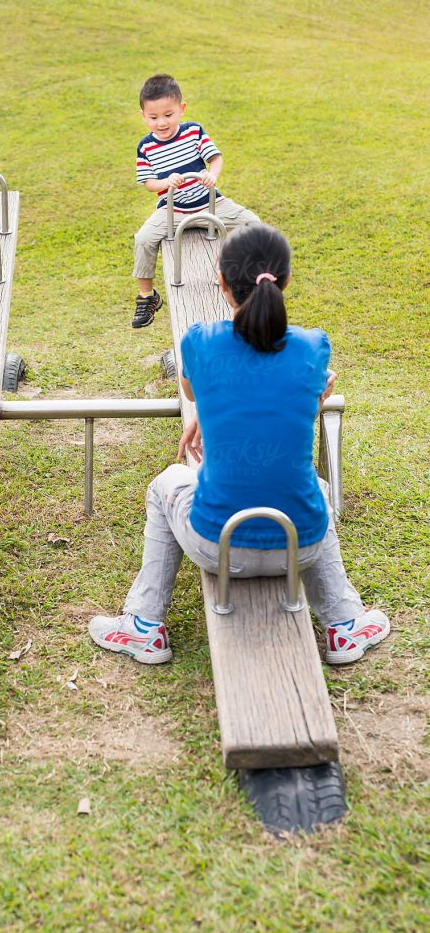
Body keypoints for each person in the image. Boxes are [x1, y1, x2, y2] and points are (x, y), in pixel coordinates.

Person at [91, 223, 390, 666]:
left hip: (219, 546)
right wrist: (316, 392)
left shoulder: (200, 340)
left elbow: (195, 394)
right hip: (298, 546)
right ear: (285, 281)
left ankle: (144, 623)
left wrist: (204, 421)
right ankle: (344, 625)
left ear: (222, 282)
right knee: (318, 491)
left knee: (166, 484)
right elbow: (284, 400)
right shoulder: (313, 346)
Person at [132, 73, 260, 328]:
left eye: (168, 115)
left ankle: (249, 280)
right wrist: (166, 183)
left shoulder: (193, 132)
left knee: (254, 225)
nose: (161, 123)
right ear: (143, 116)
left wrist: (212, 175)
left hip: (210, 204)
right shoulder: (146, 147)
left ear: (181, 109)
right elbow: (148, 183)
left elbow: (215, 158)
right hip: (173, 209)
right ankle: (147, 295)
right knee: (144, 239)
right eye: (153, 117)